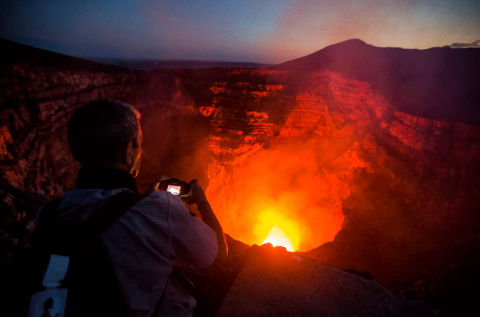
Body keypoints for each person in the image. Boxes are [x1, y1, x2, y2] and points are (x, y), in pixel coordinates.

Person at [56, 99, 227, 316]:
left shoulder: (52, 212)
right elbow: (219, 255)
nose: (141, 152)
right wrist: (201, 201)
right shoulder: (159, 209)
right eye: (139, 142)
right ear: (129, 151)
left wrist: (137, 199)